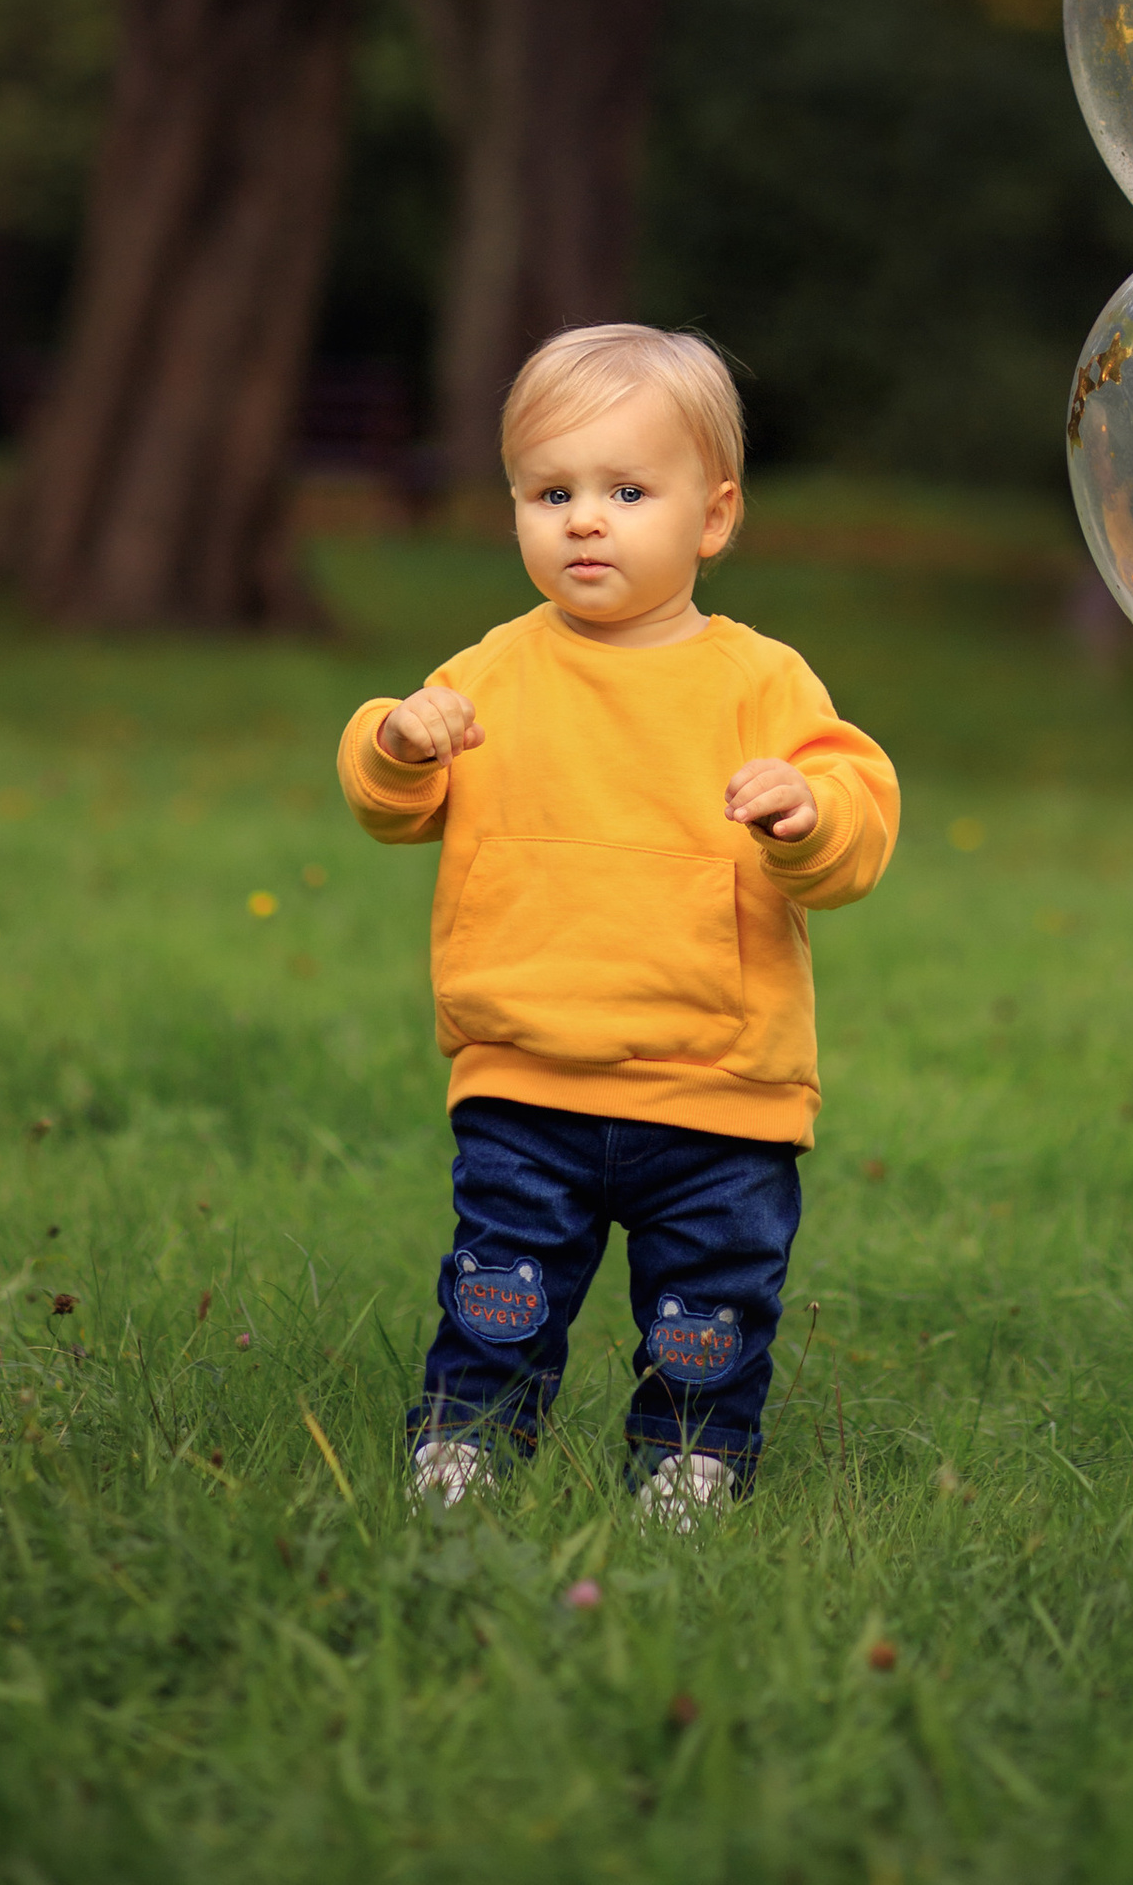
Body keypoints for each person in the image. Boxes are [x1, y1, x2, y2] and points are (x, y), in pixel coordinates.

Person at [339, 322, 899, 1524]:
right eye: (551, 492)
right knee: (501, 1288)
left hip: (718, 1083)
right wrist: (396, 740)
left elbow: (857, 819)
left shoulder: (760, 683)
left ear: (712, 518)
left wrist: (809, 811)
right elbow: (392, 805)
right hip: (525, 1068)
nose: (583, 519)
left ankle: (691, 1462)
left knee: (712, 1302)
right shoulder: (493, 670)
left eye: (626, 490)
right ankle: (469, 1442)